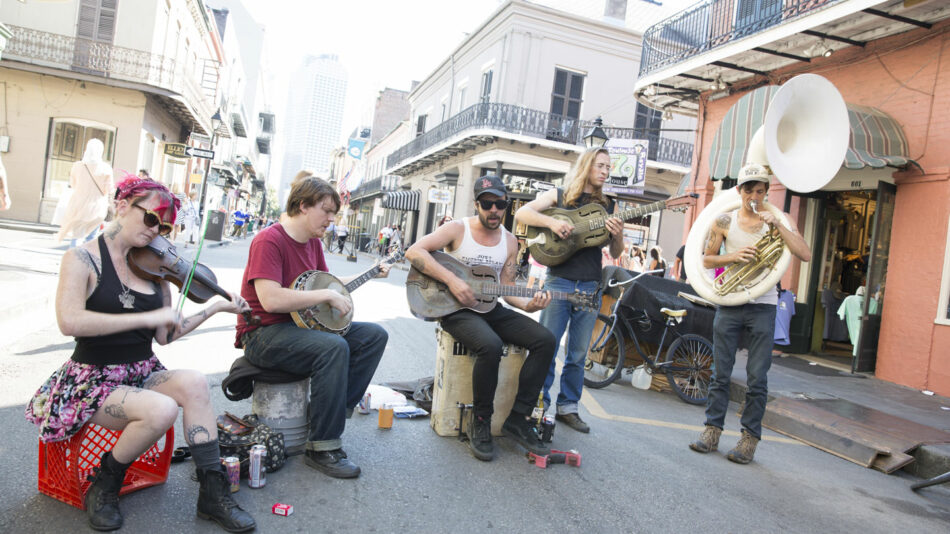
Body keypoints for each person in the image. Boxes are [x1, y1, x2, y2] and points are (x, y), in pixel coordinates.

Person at [25, 175, 256, 532]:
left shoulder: (154, 269)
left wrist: (214, 309)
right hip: (92, 381)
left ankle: (213, 493)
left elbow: (166, 334)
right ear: (121, 205)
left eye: (163, 225)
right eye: (150, 218)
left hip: (140, 371)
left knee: (195, 382)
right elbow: (68, 321)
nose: (156, 231)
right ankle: (105, 483)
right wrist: (149, 315)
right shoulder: (82, 259)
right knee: (162, 408)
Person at [237, 175, 389, 479]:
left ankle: (328, 415)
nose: (332, 220)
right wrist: (327, 294)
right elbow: (270, 300)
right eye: (327, 211)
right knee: (334, 348)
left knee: (373, 336)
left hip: (299, 328)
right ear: (304, 206)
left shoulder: (313, 244)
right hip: (263, 334)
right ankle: (323, 447)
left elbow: (327, 286)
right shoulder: (269, 239)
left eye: (335, 214)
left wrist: (369, 273)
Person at [405, 174, 556, 461]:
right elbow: (414, 251)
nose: (494, 210)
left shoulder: (510, 242)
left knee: (545, 340)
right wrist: (452, 281)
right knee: (490, 345)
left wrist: (529, 305)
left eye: (501, 204)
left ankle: (518, 419)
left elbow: (508, 289)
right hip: (455, 309)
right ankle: (481, 421)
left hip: (490, 307)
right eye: (488, 204)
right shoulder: (457, 229)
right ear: (477, 204)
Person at [689, 163, 811, 464]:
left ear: (766, 192)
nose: (754, 196)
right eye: (749, 190)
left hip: (764, 304)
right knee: (720, 373)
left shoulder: (779, 219)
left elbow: (805, 253)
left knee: (757, 378)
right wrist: (733, 256)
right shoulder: (724, 220)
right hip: (731, 302)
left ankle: (749, 439)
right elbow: (706, 260)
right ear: (739, 191)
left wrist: (779, 225)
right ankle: (711, 431)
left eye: (760, 190)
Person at [515, 147, 624, 434]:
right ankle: (539, 404)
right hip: (559, 280)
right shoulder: (561, 195)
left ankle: (568, 408)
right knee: (547, 347)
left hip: (590, 284)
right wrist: (552, 222)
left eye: (608, 167)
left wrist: (619, 235)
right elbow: (523, 213)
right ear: (587, 166)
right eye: (600, 165)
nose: (605, 171)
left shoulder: (610, 206)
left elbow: (614, 251)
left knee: (577, 354)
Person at [56, 139, 115, 247]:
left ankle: (72, 259)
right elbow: (109, 189)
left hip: (78, 204)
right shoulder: (106, 168)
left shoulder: (77, 166)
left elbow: (73, 184)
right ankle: (85, 261)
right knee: (91, 237)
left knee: (76, 236)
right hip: (97, 206)